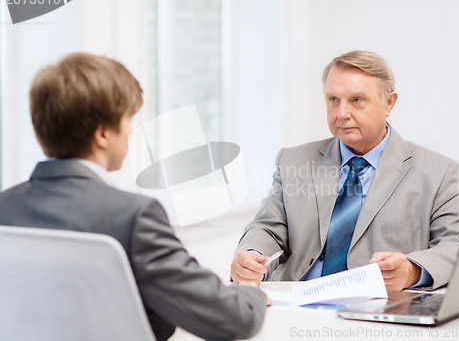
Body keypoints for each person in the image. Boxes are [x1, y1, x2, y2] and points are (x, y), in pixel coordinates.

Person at [0, 53, 268, 341]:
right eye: (128, 119)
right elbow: (235, 320)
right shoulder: (134, 216)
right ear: (102, 134)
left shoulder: (5, 207)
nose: (130, 131)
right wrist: (248, 291)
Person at [231, 50, 459, 292]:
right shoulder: (293, 160)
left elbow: (458, 243)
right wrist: (252, 254)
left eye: (357, 100)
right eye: (333, 99)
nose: (342, 113)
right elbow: (269, 227)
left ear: (389, 103)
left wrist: (412, 270)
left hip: (379, 311)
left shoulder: (437, 172)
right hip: (296, 303)